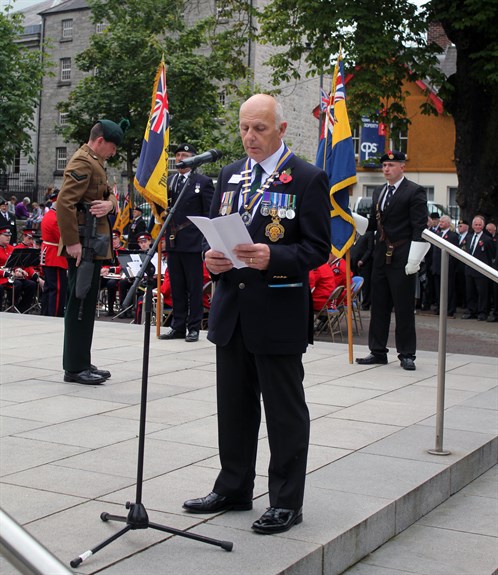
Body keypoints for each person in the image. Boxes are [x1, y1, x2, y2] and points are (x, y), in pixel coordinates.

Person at [182, 94, 331, 535]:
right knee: (234, 407)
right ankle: (233, 486)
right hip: (232, 311)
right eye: (244, 128)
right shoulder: (230, 176)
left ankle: (286, 501)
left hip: (278, 311)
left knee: (284, 412)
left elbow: (317, 248)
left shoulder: (306, 177)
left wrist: (274, 256)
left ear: (281, 130)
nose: (250, 136)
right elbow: (214, 238)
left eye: (259, 128)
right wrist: (211, 262)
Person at [57, 119, 125, 384]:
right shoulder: (83, 162)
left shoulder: (95, 162)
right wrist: (72, 242)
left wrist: (109, 204)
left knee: (86, 302)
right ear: (100, 141)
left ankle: (81, 360)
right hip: (82, 246)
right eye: (112, 146)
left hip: (92, 244)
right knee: (80, 304)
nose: (114, 152)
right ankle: (74, 367)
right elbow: (65, 203)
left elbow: (109, 194)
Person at [356, 150, 428, 371]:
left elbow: (419, 228)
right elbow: (371, 225)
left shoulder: (414, 191)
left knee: (404, 308)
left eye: (391, 165)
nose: (386, 169)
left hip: (403, 256)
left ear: (402, 167)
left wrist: (414, 259)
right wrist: (349, 216)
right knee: (378, 306)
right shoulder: (378, 192)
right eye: (384, 165)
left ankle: (407, 354)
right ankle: (377, 351)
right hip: (380, 256)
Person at [159, 143, 215, 342]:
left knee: (194, 286)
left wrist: (205, 242)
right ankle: (178, 325)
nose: (180, 158)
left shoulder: (203, 182)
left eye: (185, 155)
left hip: (193, 241)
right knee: (177, 286)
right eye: (178, 155)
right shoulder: (171, 181)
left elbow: (208, 213)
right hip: (174, 241)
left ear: (194, 158)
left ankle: (194, 327)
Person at [40, 189, 68, 317]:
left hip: (49, 254)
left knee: (49, 287)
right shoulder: (55, 218)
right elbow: (62, 238)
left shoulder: (49, 215)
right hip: (55, 256)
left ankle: (46, 313)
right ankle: (55, 314)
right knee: (57, 289)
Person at [461, 215, 494, 320]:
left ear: (483, 226)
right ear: (472, 225)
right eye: (476, 224)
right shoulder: (469, 237)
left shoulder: (487, 239)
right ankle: (471, 311)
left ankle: (482, 312)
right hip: (469, 270)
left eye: (480, 225)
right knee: (470, 292)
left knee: (482, 293)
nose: (478, 226)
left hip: (481, 270)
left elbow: (490, 255)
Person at [431, 215, 459, 318]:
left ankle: (450, 309)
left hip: (447, 268)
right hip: (437, 267)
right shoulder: (437, 234)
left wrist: (450, 266)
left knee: (449, 289)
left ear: (448, 223)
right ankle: (440, 307)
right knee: (438, 290)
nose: (440, 223)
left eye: (442, 222)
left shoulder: (453, 236)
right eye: (440, 222)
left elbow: (454, 254)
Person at [100, 230, 124, 317]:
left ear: (119, 239)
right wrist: (103, 270)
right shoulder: (106, 251)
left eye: (115, 238)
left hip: (117, 277)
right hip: (104, 275)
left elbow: (122, 267)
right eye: (111, 239)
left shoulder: (122, 251)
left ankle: (111, 309)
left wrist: (109, 269)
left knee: (111, 284)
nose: (113, 241)